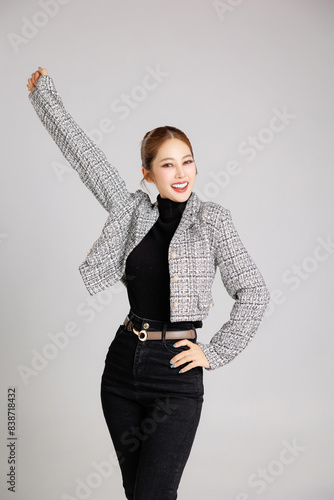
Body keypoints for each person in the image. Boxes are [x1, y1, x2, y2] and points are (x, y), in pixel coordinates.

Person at [27, 68, 270, 500]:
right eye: (168, 164)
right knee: (137, 493)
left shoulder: (213, 220)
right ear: (148, 173)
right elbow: (86, 159)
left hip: (175, 376)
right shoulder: (131, 211)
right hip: (122, 369)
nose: (181, 173)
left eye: (188, 161)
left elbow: (254, 293)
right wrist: (45, 97)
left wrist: (212, 353)